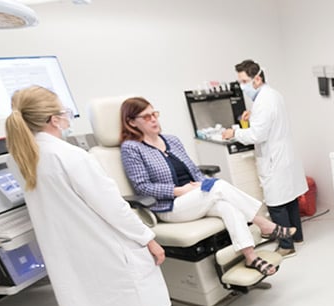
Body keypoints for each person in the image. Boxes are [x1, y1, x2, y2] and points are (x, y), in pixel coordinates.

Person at [4, 86, 183, 306]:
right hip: (104, 240)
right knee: (134, 294)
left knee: (131, 297)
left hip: (73, 248)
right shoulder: (71, 156)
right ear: (53, 119)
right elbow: (112, 206)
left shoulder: (18, 157)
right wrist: (147, 238)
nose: (67, 116)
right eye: (64, 112)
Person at [120, 97, 295, 277]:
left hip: (194, 199)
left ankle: (250, 256)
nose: (154, 119)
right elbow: (142, 186)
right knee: (218, 186)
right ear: (132, 122)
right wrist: (179, 191)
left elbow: (194, 171)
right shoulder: (131, 148)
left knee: (228, 206)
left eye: (154, 114)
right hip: (170, 206)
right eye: (146, 117)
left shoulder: (171, 140)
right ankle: (263, 223)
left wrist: (201, 184)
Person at [221, 60, 307, 259]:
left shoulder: (263, 101)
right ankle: (297, 236)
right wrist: (252, 117)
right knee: (290, 198)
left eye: (244, 81)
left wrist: (233, 132)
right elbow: (268, 122)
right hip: (284, 154)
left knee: (277, 203)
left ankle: (286, 246)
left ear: (257, 79)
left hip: (273, 158)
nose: (242, 86)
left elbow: (257, 136)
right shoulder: (272, 95)